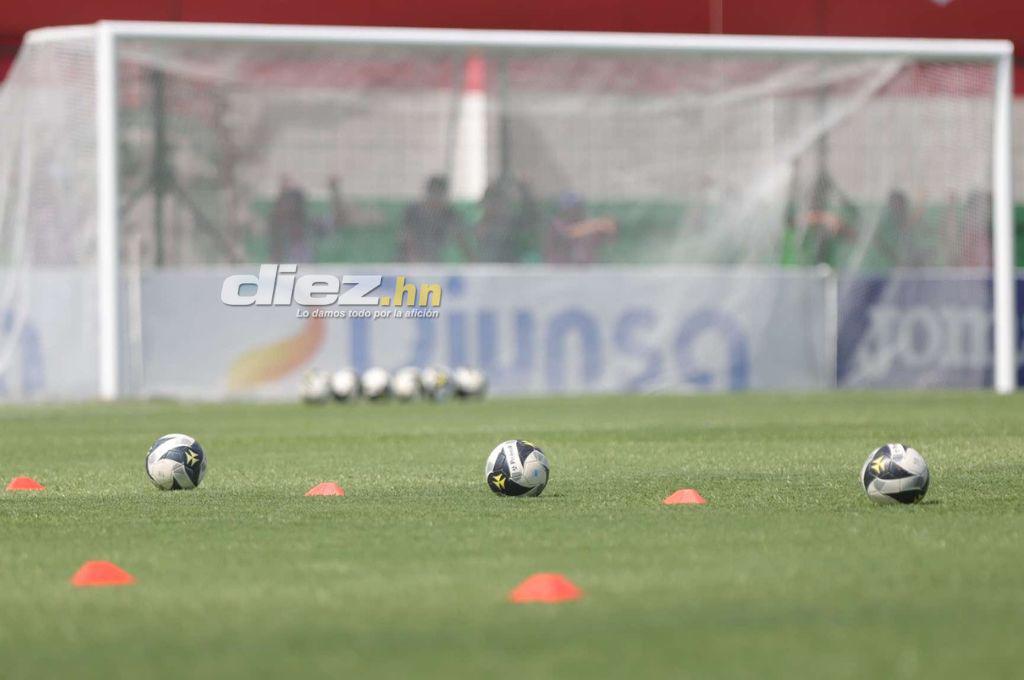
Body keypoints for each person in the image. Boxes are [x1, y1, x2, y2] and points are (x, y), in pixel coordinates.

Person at [268, 176, 348, 263]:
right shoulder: (278, 230)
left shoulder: (310, 225)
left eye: (295, 204)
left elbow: (338, 220)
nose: (291, 209)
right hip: (284, 272)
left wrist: (335, 192)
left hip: (307, 271)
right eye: (287, 203)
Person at [401, 175, 471, 262]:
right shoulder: (413, 213)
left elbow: (461, 240)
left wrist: (473, 264)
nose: (436, 200)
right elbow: (407, 239)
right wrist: (414, 263)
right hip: (405, 266)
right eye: (433, 194)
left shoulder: (449, 215)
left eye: (439, 196)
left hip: (433, 264)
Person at [475, 176, 540, 263]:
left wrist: (525, 192)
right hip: (488, 269)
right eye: (490, 203)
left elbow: (532, 219)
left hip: (512, 270)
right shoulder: (481, 226)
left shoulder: (513, 224)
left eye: (497, 203)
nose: (493, 207)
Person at [543, 192, 617, 265]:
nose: (578, 211)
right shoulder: (556, 225)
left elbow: (610, 239)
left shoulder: (589, 226)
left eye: (579, 207)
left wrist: (608, 228)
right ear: (564, 210)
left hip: (587, 270)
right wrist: (596, 225)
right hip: (560, 270)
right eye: (574, 208)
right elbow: (568, 233)